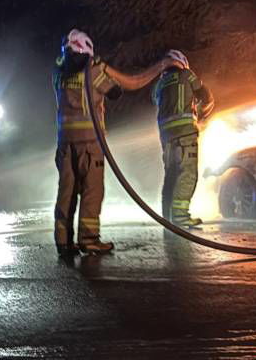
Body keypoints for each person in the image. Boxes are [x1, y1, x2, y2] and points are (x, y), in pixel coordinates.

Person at [53, 29, 181, 256]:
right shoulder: (94, 72)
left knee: (66, 193)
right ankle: (89, 241)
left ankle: (63, 242)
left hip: (64, 144)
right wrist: (160, 65)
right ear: (87, 51)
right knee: (92, 192)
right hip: (90, 145)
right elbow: (121, 90)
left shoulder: (58, 73)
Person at [152, 50, 214, 227]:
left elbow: (154, 100)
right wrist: (201, 115)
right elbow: (207, 97)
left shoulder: (160, 84)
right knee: (187, 173)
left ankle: (168, 218)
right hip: (185, 133)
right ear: (182, 62)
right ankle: (180, 215)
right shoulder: (187, 75)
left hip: (166, 137)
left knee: (170, 175)